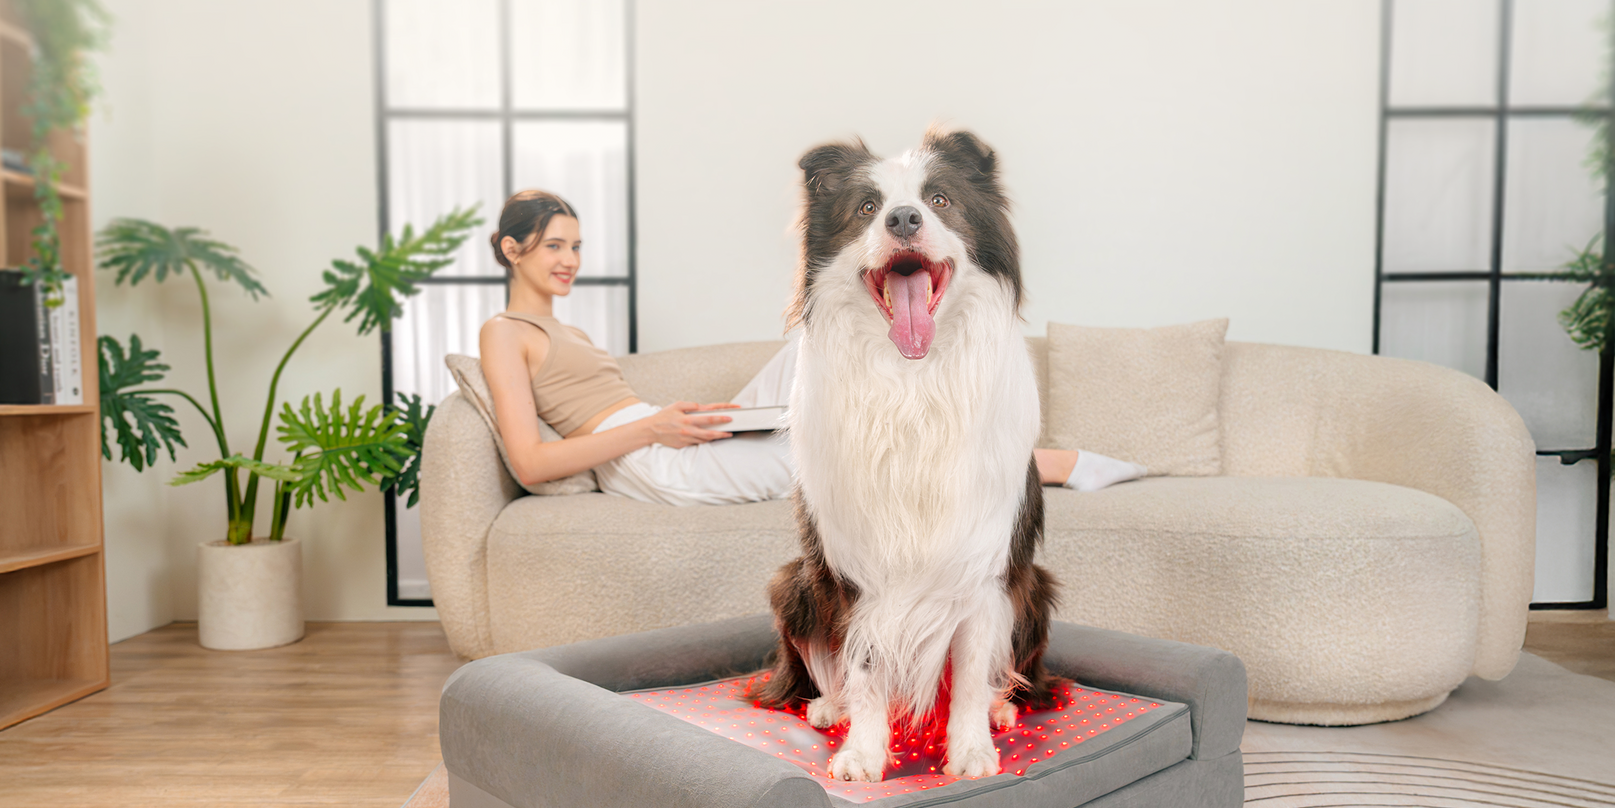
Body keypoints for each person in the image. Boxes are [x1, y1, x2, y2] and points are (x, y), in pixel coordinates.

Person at [478, 190, 1149, 507]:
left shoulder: (573, 333)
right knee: (836, 449)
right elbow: (533, 463)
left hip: (663, 434)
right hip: (649, 463)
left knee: (821, 328)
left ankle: (946, 408)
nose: (570, 259)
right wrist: (654, 426)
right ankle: (1045, 463)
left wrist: (696, 420)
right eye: (554, 245)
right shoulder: (503, 334)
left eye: (575, 244)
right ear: (512, 249)